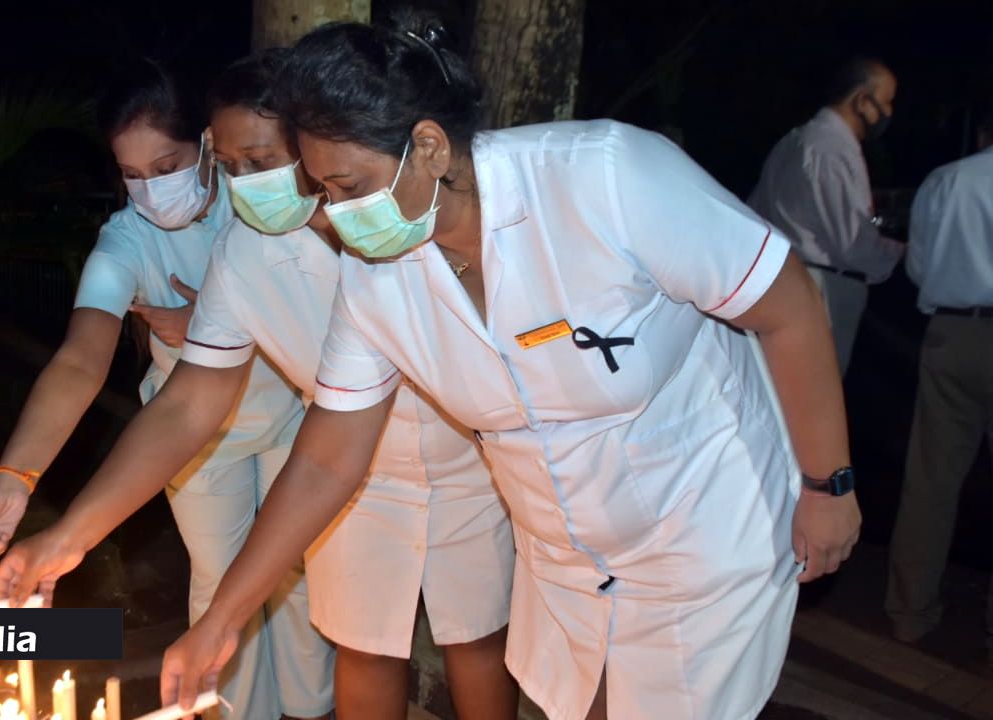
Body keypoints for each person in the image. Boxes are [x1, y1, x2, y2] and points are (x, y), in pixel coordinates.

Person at [157, 11, 861, 720]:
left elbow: (788, 305)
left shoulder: (604, 176)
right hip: (566, 559)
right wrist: (222, 620)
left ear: (428, 147)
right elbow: (325, 457)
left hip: (700, 526)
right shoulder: (378, 276)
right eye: (324, 191)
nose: (336, 215)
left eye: (348, 186)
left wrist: (827, 483)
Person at [0, 51, 519, 720]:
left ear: (311, 149)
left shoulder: (396, 219)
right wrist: (68, 533)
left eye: (262, 162)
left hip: (459, 454)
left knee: (475, 637)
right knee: (362, 645)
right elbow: (186, 404)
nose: (248, 185)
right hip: (348, 475)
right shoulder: (242, 256)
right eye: (233, 166)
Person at [0, 58, 327, 720]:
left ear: (207, 145)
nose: (152, 191)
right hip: (195, 437)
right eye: (132, 175)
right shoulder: (124, 242)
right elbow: (80, 361)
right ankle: (236, 712)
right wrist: (16, 477)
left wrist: (213, 321)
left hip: (293, 411)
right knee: (220, 581)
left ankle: (312, 708)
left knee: (298, 569)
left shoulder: (258, 198)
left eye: (166, 167)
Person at [886, 96, 993, 646]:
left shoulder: (946, 180)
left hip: (949, 333)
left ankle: (910, 613)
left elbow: (919, 266)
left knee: (930, 480)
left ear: (983, 132)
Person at [749, 57, 905, 374]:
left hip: (785, 279)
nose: (889, 113)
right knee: (810, 390)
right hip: (820, 288)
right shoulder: (831, 149)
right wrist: (904, 254)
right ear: (862, 100)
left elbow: (755, 211)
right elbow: (853, 243)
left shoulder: (796, 139)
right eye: (886, 102)